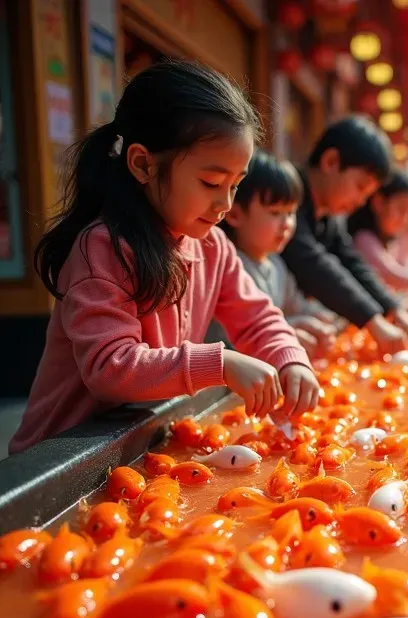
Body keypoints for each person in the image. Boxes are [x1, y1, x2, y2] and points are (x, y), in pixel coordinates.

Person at [11, 60, 320, 453]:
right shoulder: (102, 248)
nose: (225, 203)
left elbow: (257, 317)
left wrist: (290, 359)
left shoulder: (214, 246)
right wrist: (221, 364)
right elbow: (111, 367)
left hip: (138, 446)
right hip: (63, 459)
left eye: (235, 185)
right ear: (143, 164)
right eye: (211, 183)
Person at [279, 116, 408, 355]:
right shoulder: (286, 197)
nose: (361, 201)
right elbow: (313, 262)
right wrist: (373, 321)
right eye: (361, 187)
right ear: (331, 162)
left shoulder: (328, 216)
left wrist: (390, 307)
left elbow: (350, 260)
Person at [209, 149, 336, 357]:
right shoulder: (231, 267)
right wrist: (290, 330)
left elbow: (297, 305)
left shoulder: (276, 265)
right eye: (275, 213)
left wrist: (321, 318)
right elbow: (236, 339)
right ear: (234, 214)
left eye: (291, 213)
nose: (286, 224)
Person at [347, 170, 408, 297]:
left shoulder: (391, 238)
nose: (405, 219)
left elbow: (407, 263)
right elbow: (389, 273)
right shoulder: (363, 237)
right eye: (401, 209)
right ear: (379, 203)